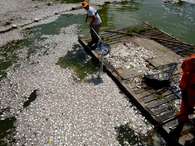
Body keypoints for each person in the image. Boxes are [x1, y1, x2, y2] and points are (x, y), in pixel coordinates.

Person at [170, 54, 195, 141]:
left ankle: (184, 117)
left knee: (187, 105)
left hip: (191, 87)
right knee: (187, 106)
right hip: (190, 87)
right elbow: (184, 67)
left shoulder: (191, 61)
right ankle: (183, 118)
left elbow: (184, 66)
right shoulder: (191, 61)